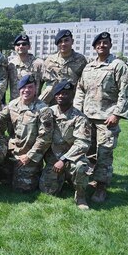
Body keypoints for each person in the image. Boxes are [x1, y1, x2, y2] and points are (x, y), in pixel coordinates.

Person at [74, 31, 128, 203]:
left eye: (105, 42)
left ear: (110, 45)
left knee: (105, 153)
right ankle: (92, 181)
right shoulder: (89, 67)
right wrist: (78, 112)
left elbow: (126, 92)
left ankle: (101, 187)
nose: (102, 45)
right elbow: (80, 90)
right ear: (94, 47)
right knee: (89, 152)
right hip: (87, 118)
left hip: (107, 119)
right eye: (98, 43)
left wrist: (117, 114)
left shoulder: (118, 66)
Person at [39, 80, 92, 210]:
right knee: (48, 192)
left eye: (65, 93)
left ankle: (80, 196)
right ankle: (63, 179)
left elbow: (83, 143)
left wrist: (64, 159)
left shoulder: (79, 118)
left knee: (81, 167)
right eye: (58, 93)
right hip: (53, 160)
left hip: (72, 159)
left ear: (72, 95)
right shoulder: (48, 113)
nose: (61, 96)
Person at [0, 75, 53, 192]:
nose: (27, 90)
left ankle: (36, 174)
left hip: (29, 155)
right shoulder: (13, 104)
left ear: (35, 89)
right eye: (24, 87)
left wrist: (29, 156)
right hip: (13, 150)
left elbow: (45, 138)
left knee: (21, 189)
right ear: (19, 89)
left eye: (30, 87)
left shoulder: (43, 110)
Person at [39, 29, 87, 105]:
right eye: (60, 41)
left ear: (72, 41)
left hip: (72, 103)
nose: (63, 44)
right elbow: (42, 82)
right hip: (52, 103)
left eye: (66, 40)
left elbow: (83, 84)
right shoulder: (49, 60)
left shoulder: (81, 60)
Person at [8, 34, 44, 100]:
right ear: (14, 47)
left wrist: (42, 99)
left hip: (33, 105)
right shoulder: (11, 64)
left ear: (29, 46)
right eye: (18, 44)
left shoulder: (39, 64)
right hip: (15, 105)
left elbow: (50, 83)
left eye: (24, 44)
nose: (21, 46)